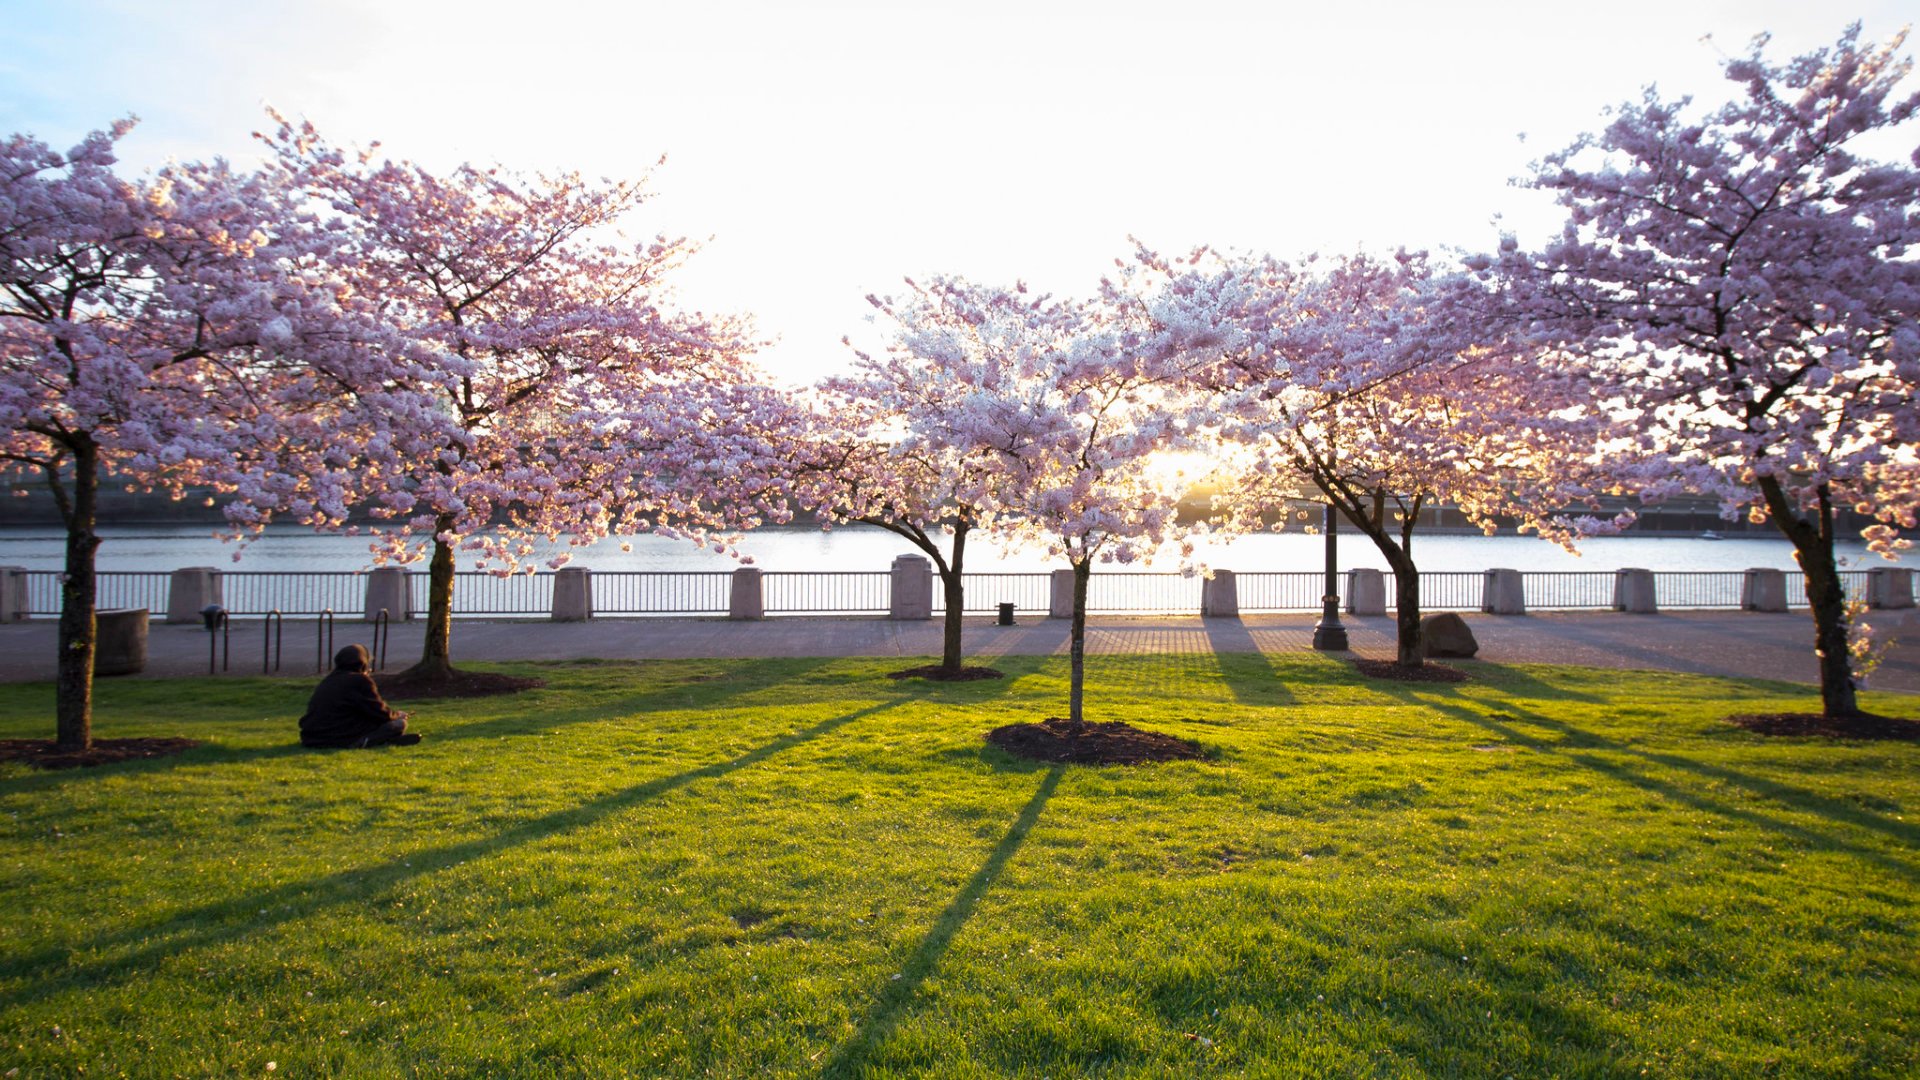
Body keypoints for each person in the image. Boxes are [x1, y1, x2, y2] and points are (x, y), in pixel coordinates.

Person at [299, 644, 420, 748]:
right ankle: (365, 742)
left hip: (312, 737)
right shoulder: (360, 680)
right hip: (339, 736)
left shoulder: (329, 680)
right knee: (399, 724)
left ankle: (387, 740)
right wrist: (398, 715)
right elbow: (380, 712)